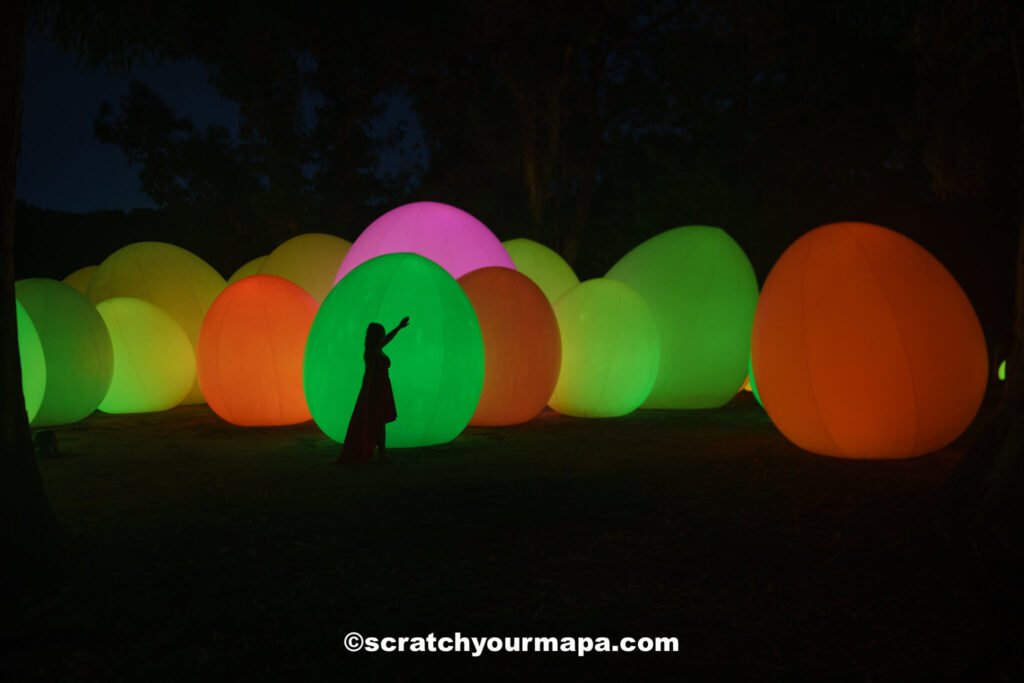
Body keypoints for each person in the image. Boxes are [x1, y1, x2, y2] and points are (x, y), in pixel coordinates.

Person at [338, 316, 410, 465]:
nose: (384, 335)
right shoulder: (371, 352)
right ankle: (381, 454)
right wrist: (367, 394)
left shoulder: (377, 348)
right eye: (382, 333)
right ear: (377, 336)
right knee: (378, 422)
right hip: (376, 390)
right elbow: (369, 374)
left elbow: (388, 338)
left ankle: (382, 454)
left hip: (382, 388)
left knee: (380, 422)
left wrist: (399, 327)